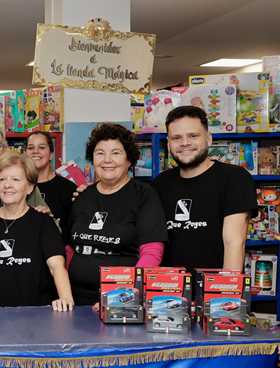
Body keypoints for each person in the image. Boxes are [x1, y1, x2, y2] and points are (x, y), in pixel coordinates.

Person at [65, 123, 168, 305]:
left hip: (122, 301)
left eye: (116, 153)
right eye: (100, 153)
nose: (107, 160)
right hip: (75, 299)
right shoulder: (82, 196)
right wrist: (64, 294)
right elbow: (69, 249)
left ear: (129, 159)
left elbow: (152, 254)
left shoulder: (144, 195)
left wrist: (119, 298)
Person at [151, 106, 256, 272]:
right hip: (168, 285)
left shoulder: (234, 178)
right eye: (177, 138)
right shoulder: (160, 183)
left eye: (193, 136)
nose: (185, 143)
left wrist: (226, 287)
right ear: (169, 143)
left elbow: (234, 243)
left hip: (214, 285)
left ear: (208, 139)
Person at [0, 153, 74, 310]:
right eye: (2, 179)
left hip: (34, 313)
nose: (7, 185)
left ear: (30, 187)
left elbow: (56, 266)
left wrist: (66, 299)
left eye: (15, 179)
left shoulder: (43, 222)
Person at [26, 131, 76, 230]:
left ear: (51, 154)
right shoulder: (17, 187)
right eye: (31, 147)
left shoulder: (68, 188)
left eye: (42, 147)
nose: (35, 151)